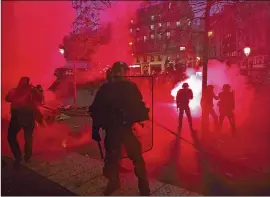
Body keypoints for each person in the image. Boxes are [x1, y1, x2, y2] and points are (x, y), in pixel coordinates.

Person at [90, 61, 150, 196]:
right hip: (118, 130)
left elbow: (96, 110)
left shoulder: (113, 87)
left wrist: (95, 128)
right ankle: (138, 186)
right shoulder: (121, 87)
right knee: (124, 158)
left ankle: (141, 185)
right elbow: (97, 109)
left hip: (118, 130)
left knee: (123, 158)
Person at [5, 77, 41, 166]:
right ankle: (23, 156)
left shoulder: (30, 92)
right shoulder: (18, 91)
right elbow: (7, 98)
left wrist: (35, 91)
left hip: (22, 117)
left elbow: (40, 100)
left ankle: (22, 156)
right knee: (23, 137)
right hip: (22, 117)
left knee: (19, 137)